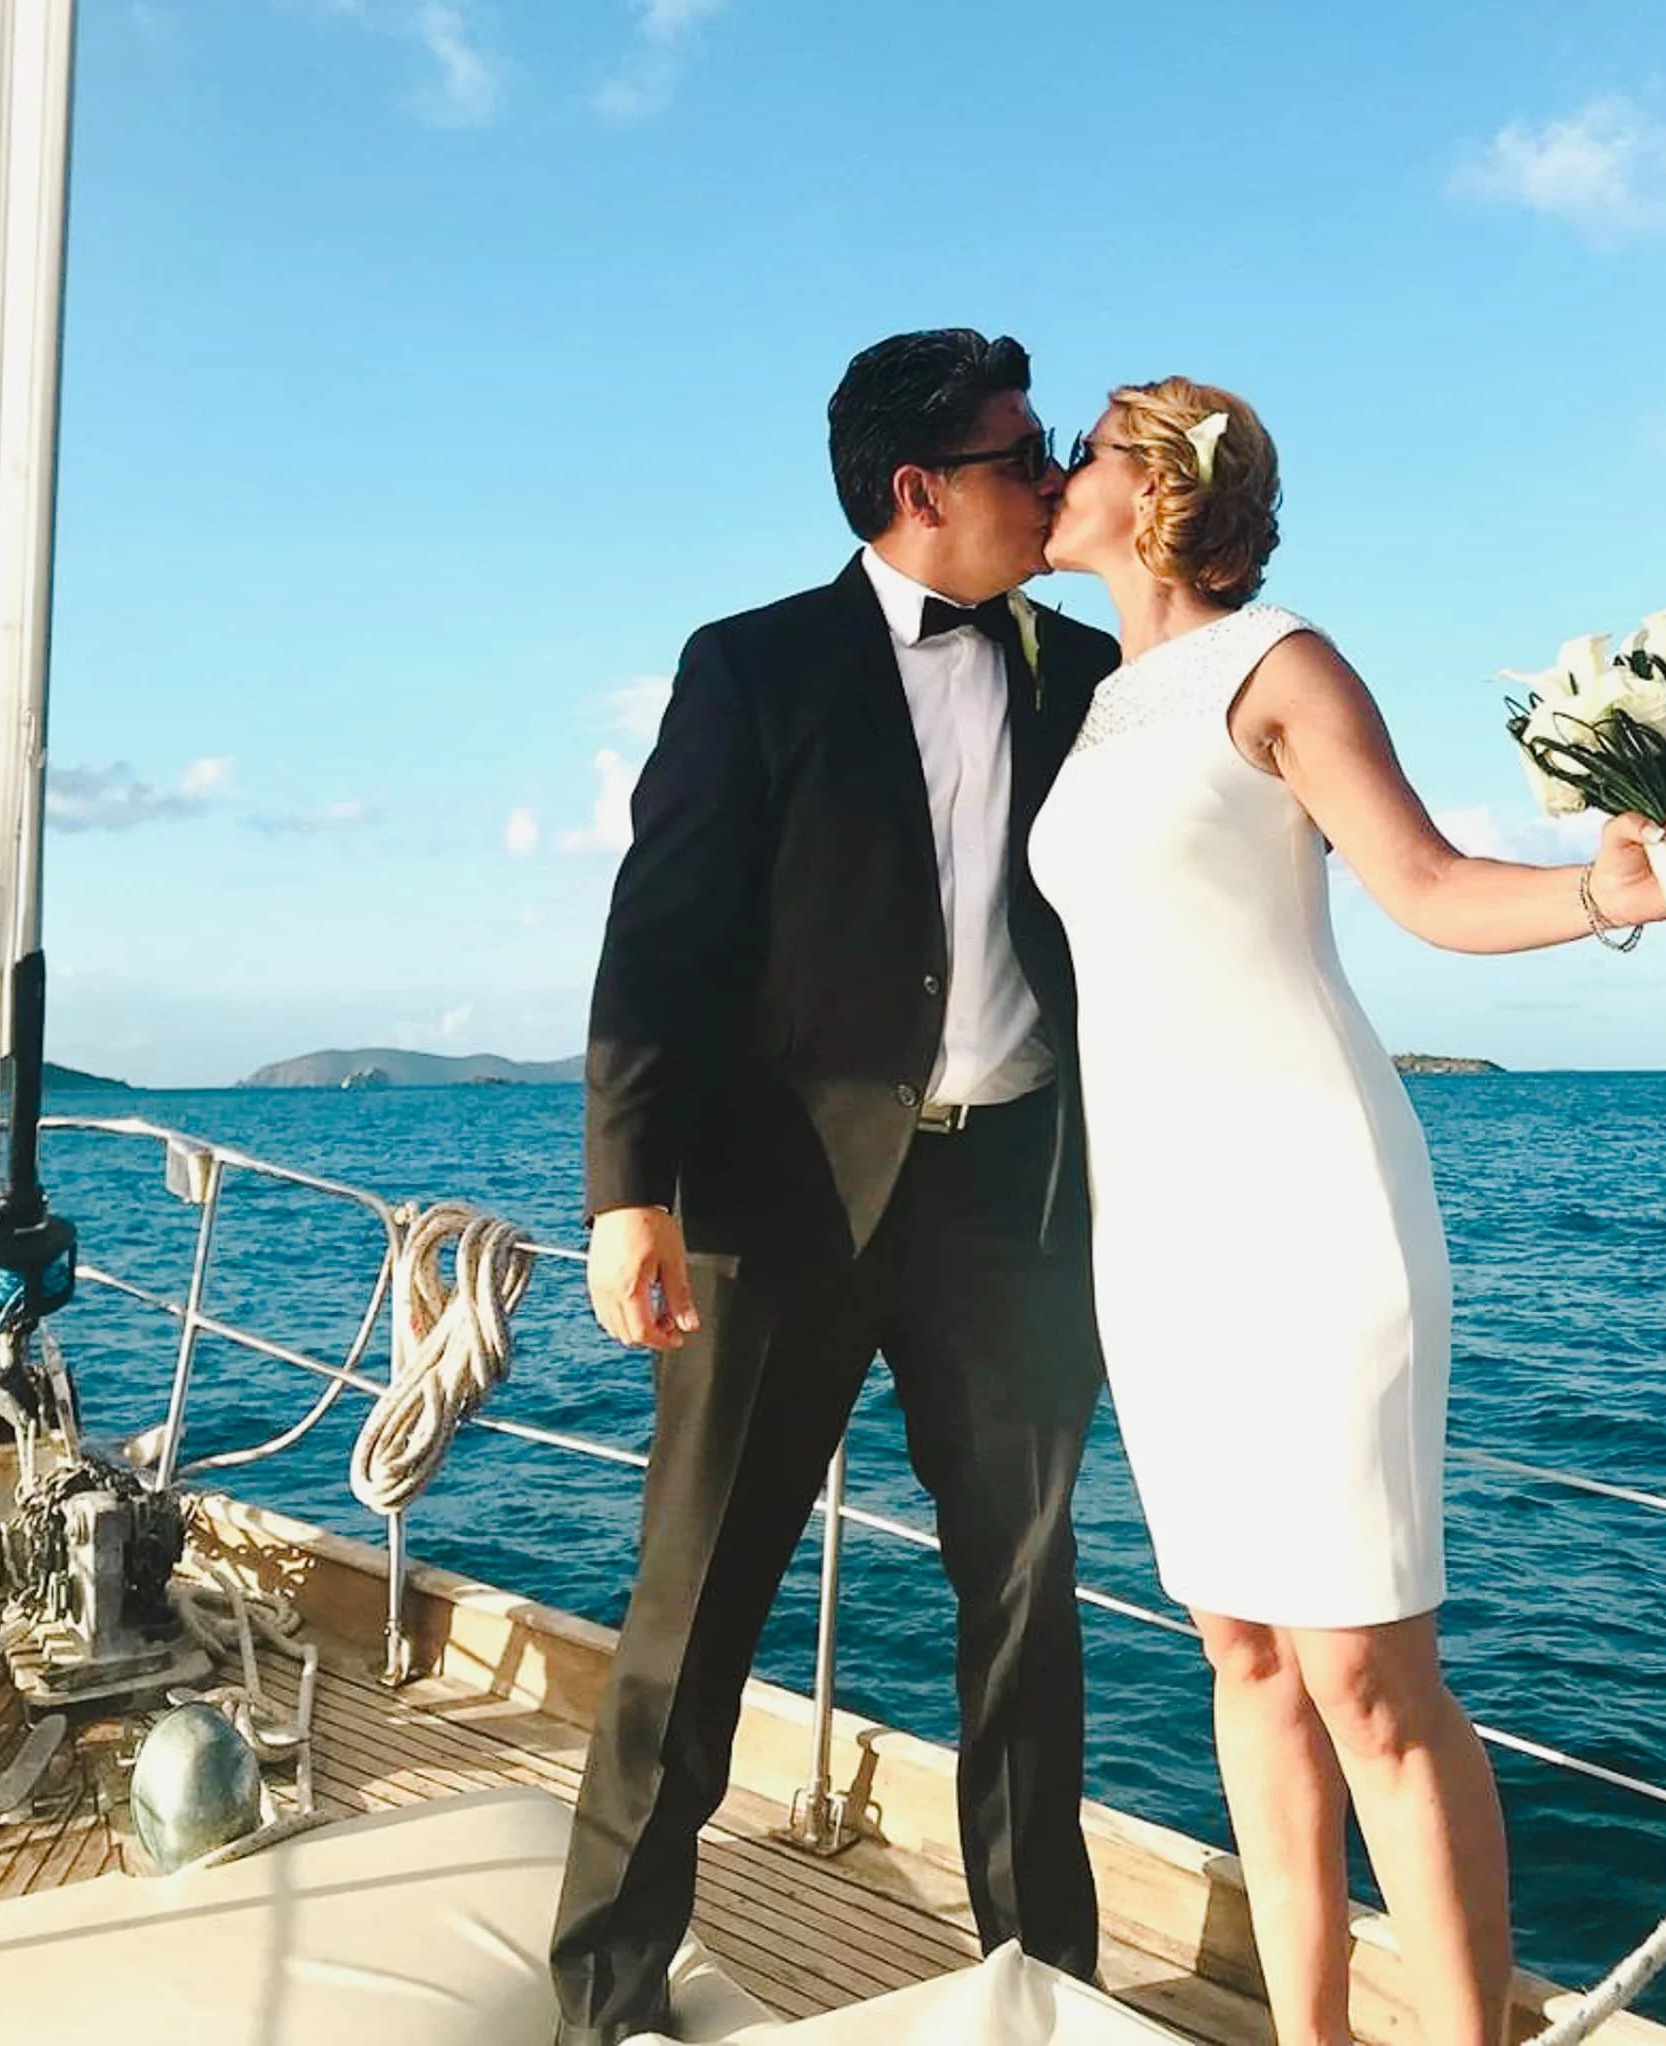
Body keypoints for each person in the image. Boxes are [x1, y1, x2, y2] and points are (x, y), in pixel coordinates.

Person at [1031, 376, 1666, 2046]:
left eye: (1085, 448)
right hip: (1154, 1237)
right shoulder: (1095, 703)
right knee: (1243, 1653)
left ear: (1152, 489)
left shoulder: (1279, 662)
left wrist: (1614, 883)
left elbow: (1424, 883)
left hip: (1308, 1205)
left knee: (1368, 1672)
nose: (1054, 473)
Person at [551, 329, 1122, 2045]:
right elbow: (658, 942)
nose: (1051, 478)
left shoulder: (1092, 676)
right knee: (692, 1615)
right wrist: (623, 1186)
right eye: (1026, 454)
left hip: (1015, 1209)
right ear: (916, 489)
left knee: (1029, 1626)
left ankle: (1047, 1989)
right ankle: (602, 1997)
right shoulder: (753, 667)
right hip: (775, 1208)